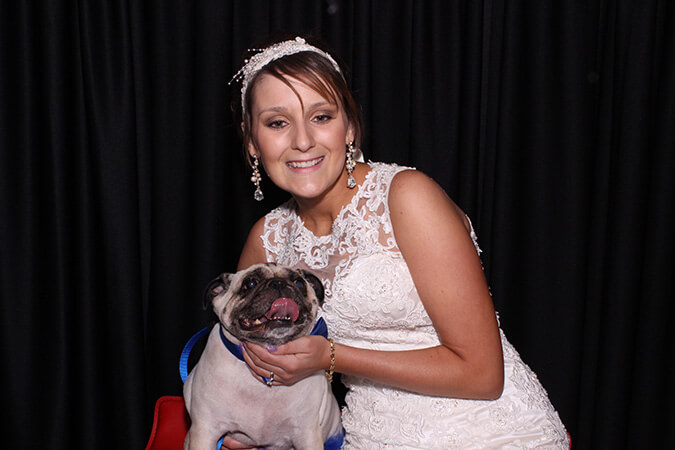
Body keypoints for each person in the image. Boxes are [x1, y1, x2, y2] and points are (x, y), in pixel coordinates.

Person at [225, 36, 569, 449]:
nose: (302, 141)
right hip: (370, 437)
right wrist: (245, 429)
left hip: (488, 430)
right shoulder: (268, 240)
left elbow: (482, 374)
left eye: (321, 116)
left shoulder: (406, 197)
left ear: (349, 126)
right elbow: (247, 368)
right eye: (277, 123)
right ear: (251, 140)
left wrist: (331, 357)